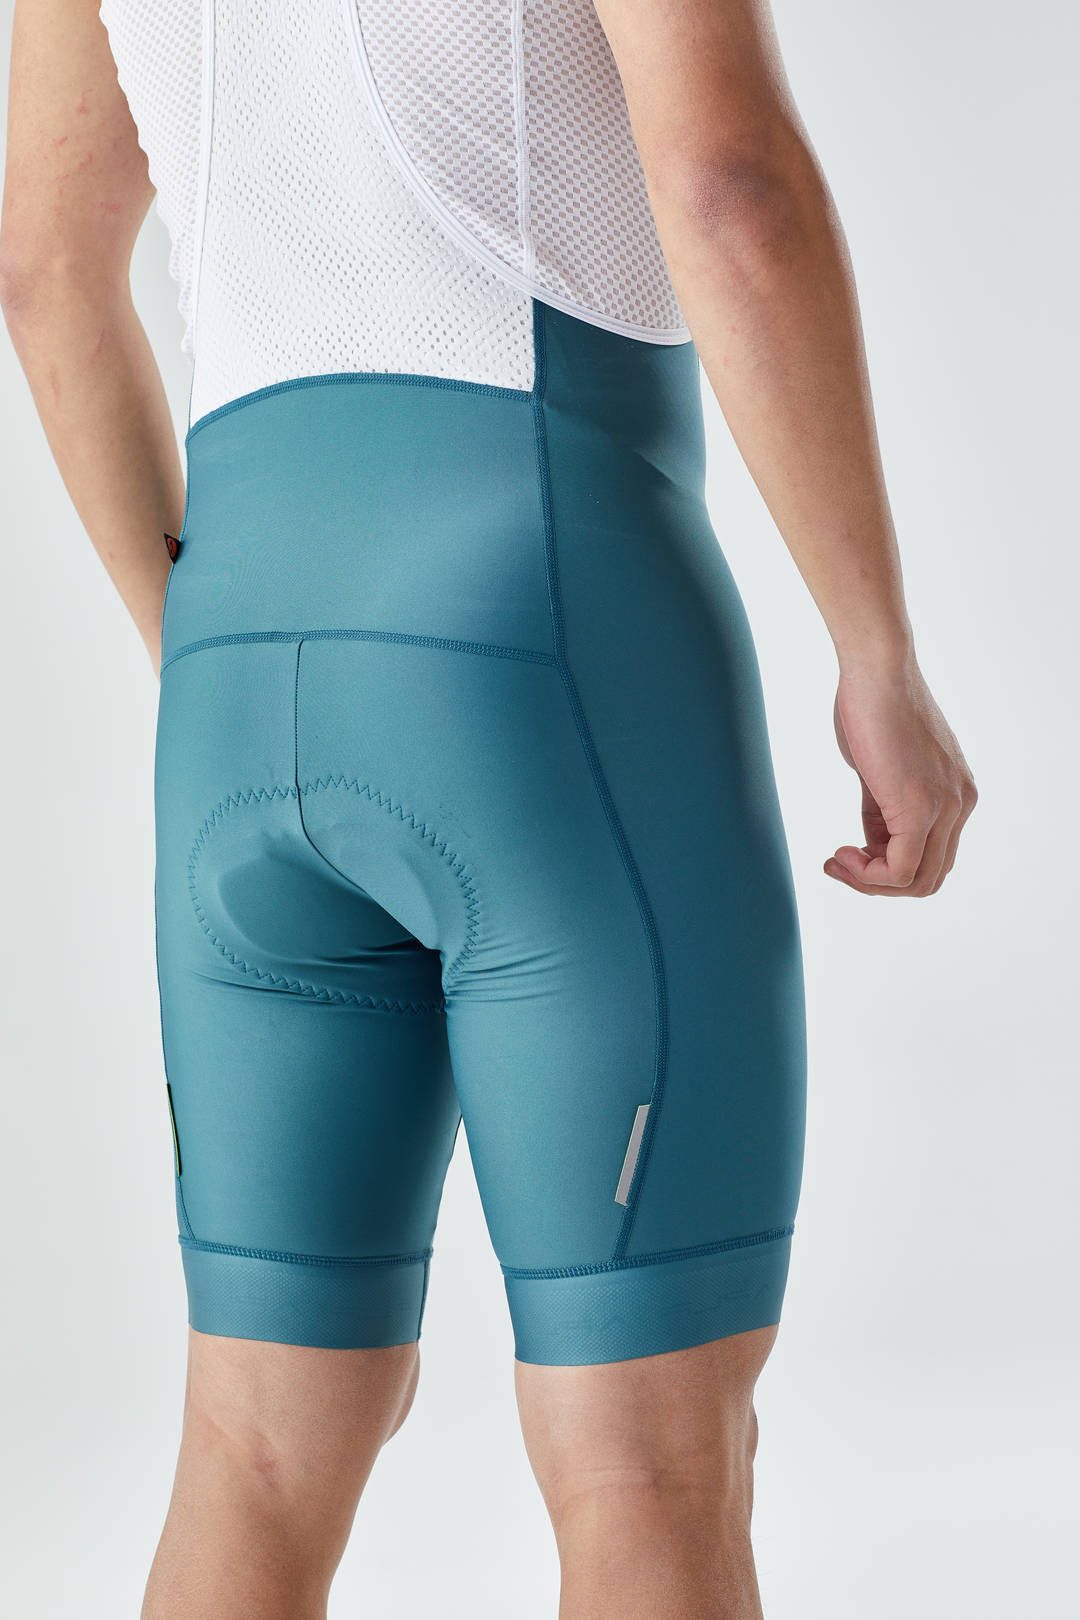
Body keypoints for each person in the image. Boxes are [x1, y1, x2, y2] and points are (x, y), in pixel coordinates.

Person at [0, 1, 976, 1615]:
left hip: (237, 667)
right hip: (544, 624)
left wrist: (208, 650)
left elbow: (42, 266)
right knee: (646, 1462)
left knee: (254, 1448)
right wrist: (876, 649)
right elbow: (730, 186)